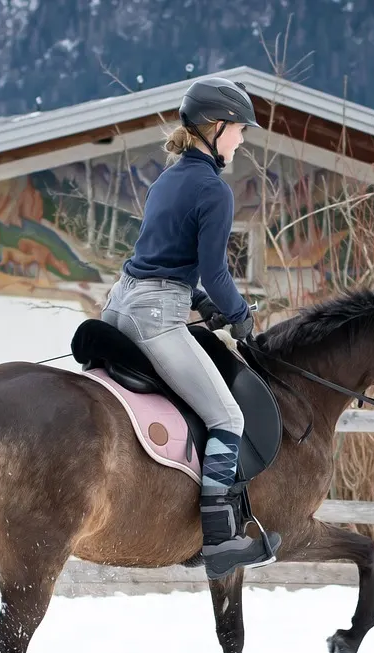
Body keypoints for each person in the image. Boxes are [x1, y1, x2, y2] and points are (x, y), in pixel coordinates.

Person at [100, 76, 281, 580]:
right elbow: (215, 270)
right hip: (155, 317)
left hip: (120, 304)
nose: (243, 139)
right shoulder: (213, 190)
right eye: (239, 130)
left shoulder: (169, 179)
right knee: (228, 419)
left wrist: (198, 301)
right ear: (217, 127)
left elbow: (163, 258)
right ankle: (221, 539)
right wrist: (240, 314)